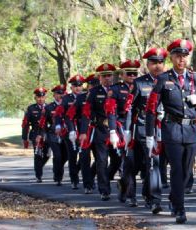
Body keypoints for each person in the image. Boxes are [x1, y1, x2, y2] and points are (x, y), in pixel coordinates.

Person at [145, 38, 196, 224]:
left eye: (184, 56)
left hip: (191, 129)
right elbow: (151, 108)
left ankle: (175, 197)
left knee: (187, 171)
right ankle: (180, 208)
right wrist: (150, 135)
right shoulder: (163, 79)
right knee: (177, 170)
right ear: (172, 58)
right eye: (177, 56)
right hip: (172, 130)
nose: (181, 59)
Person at [131, 47, 167, 213]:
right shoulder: (139, 83)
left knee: (154, 163)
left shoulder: (169, 80)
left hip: (167, 127)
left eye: (160, 62)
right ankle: (154, 199)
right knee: (151, 162)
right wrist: (125, 130)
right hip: (144, 128)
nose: (157, 66)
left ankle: (149, 194)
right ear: (148, 64)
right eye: (154, 63)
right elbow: (130, 107)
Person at [105, 59, 141, 207]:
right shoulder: (116, 89)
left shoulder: (142, 85)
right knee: (127, 161)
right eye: (129, 73)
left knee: (138, 163)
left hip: (140, 127)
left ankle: (124, 185)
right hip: (122, 128)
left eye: (135, 73)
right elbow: (111, 111)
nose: (132, 76)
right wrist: (113, 131)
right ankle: (132, 195)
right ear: (122, 74)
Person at [80, 63, 116, 201]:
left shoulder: (118, 89)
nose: (107, 78)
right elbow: (86, 113)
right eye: (104, 76)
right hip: (100, 130)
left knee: (117, 160)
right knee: (101, 161)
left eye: (109, 75)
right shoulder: (94, 92)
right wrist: (83, 131)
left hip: (116, 129)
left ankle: (111, 179)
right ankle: (104, 190)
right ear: (100, 78)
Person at [54, 74, 85, 189]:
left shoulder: (86, 96)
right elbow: (59, 113)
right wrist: (57, 125)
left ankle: (77, 173)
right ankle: (74, 180)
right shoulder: (66, 99)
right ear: (71, 87)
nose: (78, 88)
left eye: (80, 85)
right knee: (72, 156)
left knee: (83, 156)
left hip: (83, 130)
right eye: (75, 85)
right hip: (70, 130)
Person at [39, 84, 67, 186]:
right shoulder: (49, 107)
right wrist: (45, 133)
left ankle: (57, 167)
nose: (61, 95)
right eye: (59, 93)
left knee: (65, 156)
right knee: (58, 156)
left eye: (63, 93)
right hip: (53, 135)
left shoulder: (67, 104)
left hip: (65, 134)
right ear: (54, 95)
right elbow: (43, 122)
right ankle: (58, 177)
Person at [22, 87, 50, 183]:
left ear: (45, 97)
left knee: (47, 154)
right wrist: (24, 138)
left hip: (47, 134)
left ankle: (38, 167)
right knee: (38, 154)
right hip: (35, 133)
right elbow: (25, 124)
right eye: (38, 97)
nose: (40, 99)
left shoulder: (49, 107)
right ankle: (39, 175)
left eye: (42, 97)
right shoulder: (31, 108)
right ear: (35, 97)